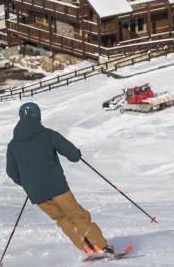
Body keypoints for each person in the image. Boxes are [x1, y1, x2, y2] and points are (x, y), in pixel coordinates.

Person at [6, 102, 114, 256]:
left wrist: (27, 183)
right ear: (38, 115)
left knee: (61, 218)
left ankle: (88, 248)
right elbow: (74, 156)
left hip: (35, 192)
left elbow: (11, 171)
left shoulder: (13, 144)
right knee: (77, 214)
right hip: (56, 186)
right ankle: (102, 248)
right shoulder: (48, 134)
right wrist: (75, 152)